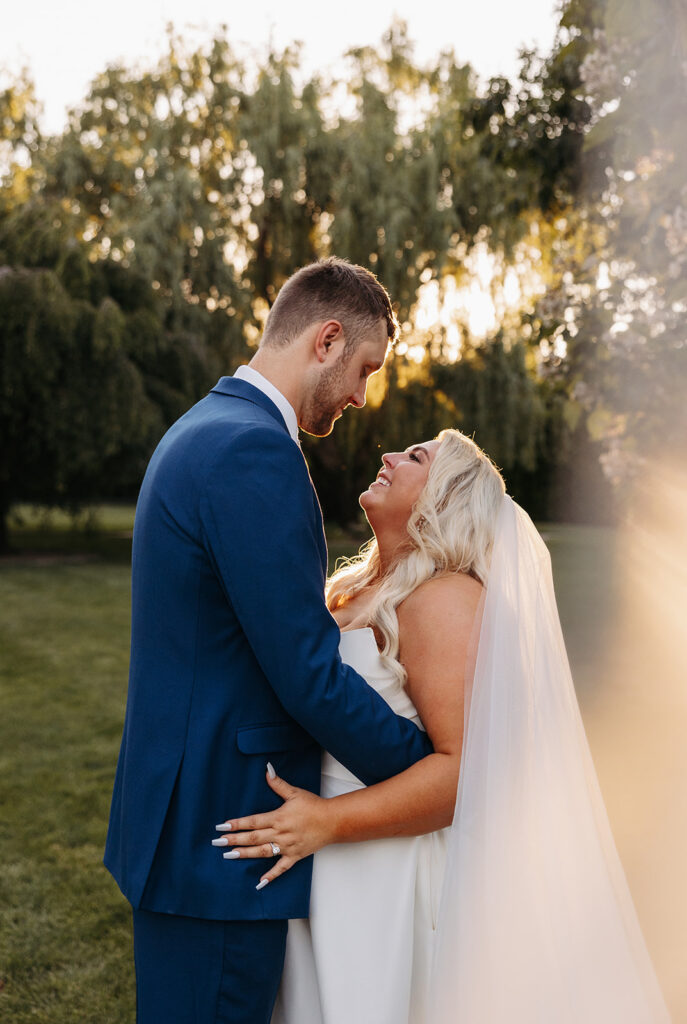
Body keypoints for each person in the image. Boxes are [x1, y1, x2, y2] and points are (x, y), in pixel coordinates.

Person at [216, 429, 671, 1024]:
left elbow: (463, 772)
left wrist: (326, 822)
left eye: (415, 457)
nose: (388, 457)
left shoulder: (443, 600)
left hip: (379, 869)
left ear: (444, 499)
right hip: (318, 859)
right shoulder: (355, 587)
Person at [104, 257, 434, 1024]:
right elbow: (306, 673)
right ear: (324, 339)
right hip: (221, 837)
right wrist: (428, 778)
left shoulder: (206, 424)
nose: (360, 395)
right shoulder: (253, 450)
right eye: (363, 368)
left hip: (188, 822)